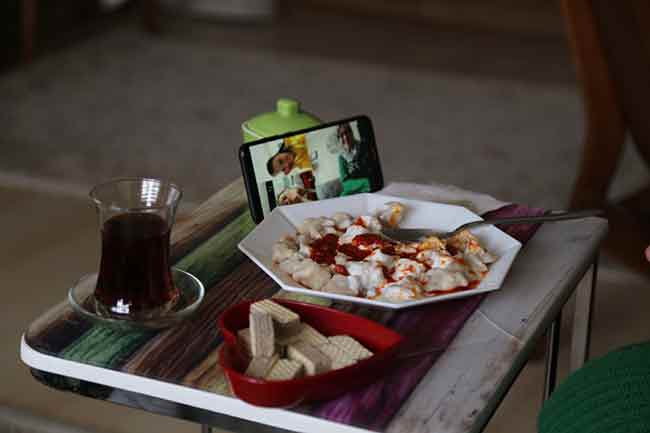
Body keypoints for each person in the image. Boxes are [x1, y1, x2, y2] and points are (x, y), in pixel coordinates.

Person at [337, 123, 371, 196]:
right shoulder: (341, 157)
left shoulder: (363, 146)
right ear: (340, 140)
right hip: (353, 185)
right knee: (343, 196)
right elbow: (344, 182)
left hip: (367, 182)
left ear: (351, 133)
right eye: (341, 135)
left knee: (369, 182)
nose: (345, 137)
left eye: (346, 132)